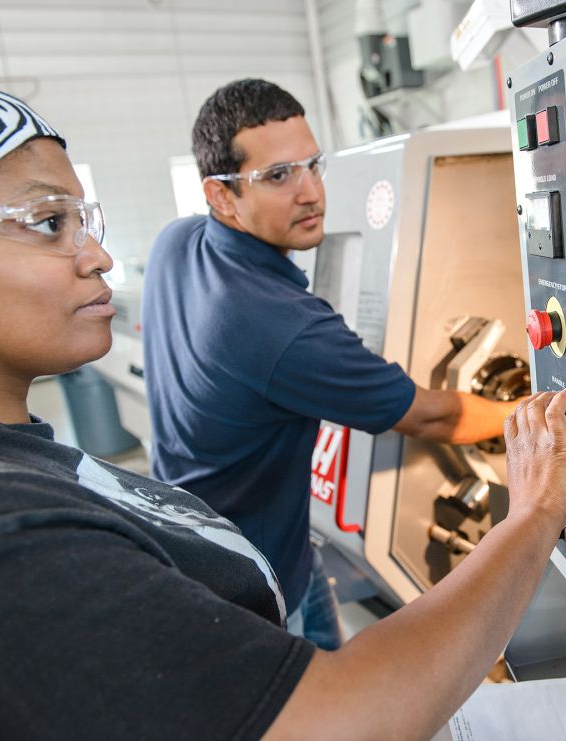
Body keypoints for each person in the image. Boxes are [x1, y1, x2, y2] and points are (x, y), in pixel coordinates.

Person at [0, 73, 566, 739]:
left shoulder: (180, 244)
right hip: (253, 586)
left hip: (259, 559)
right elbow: (343, 717)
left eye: (83, 218)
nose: (99, 259)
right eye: (45, 221)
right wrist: (536, 503)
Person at [141, 79, 520, 650]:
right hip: (252, 584)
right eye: (277, 176)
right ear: (220, 196)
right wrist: (531, 411)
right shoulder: (279, 328)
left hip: (212, 540)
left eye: (312, 165)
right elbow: (433, 419)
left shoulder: (175, 241)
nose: (311, 192)